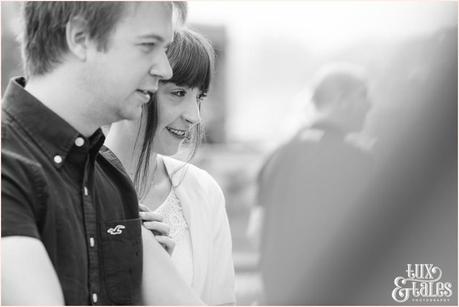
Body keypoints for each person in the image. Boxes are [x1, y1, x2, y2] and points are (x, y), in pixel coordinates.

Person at [1, 2, 203, 305]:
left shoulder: (108, 176)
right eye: (148, 45)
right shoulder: (8, 167)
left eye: (165, 48)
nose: (165, 69)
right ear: (81, 38)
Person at [105, 28, 236, 305]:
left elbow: (221, 300)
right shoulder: (73, 185)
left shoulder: (202, 190)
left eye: (199, 98)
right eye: (178, 92)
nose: (195, 117)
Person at [250, 63, 374, 304]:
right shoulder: (357, 160)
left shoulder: (278, 156)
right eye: (363, 96)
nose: (370, 106)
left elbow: (256, 231)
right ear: (342, 99)